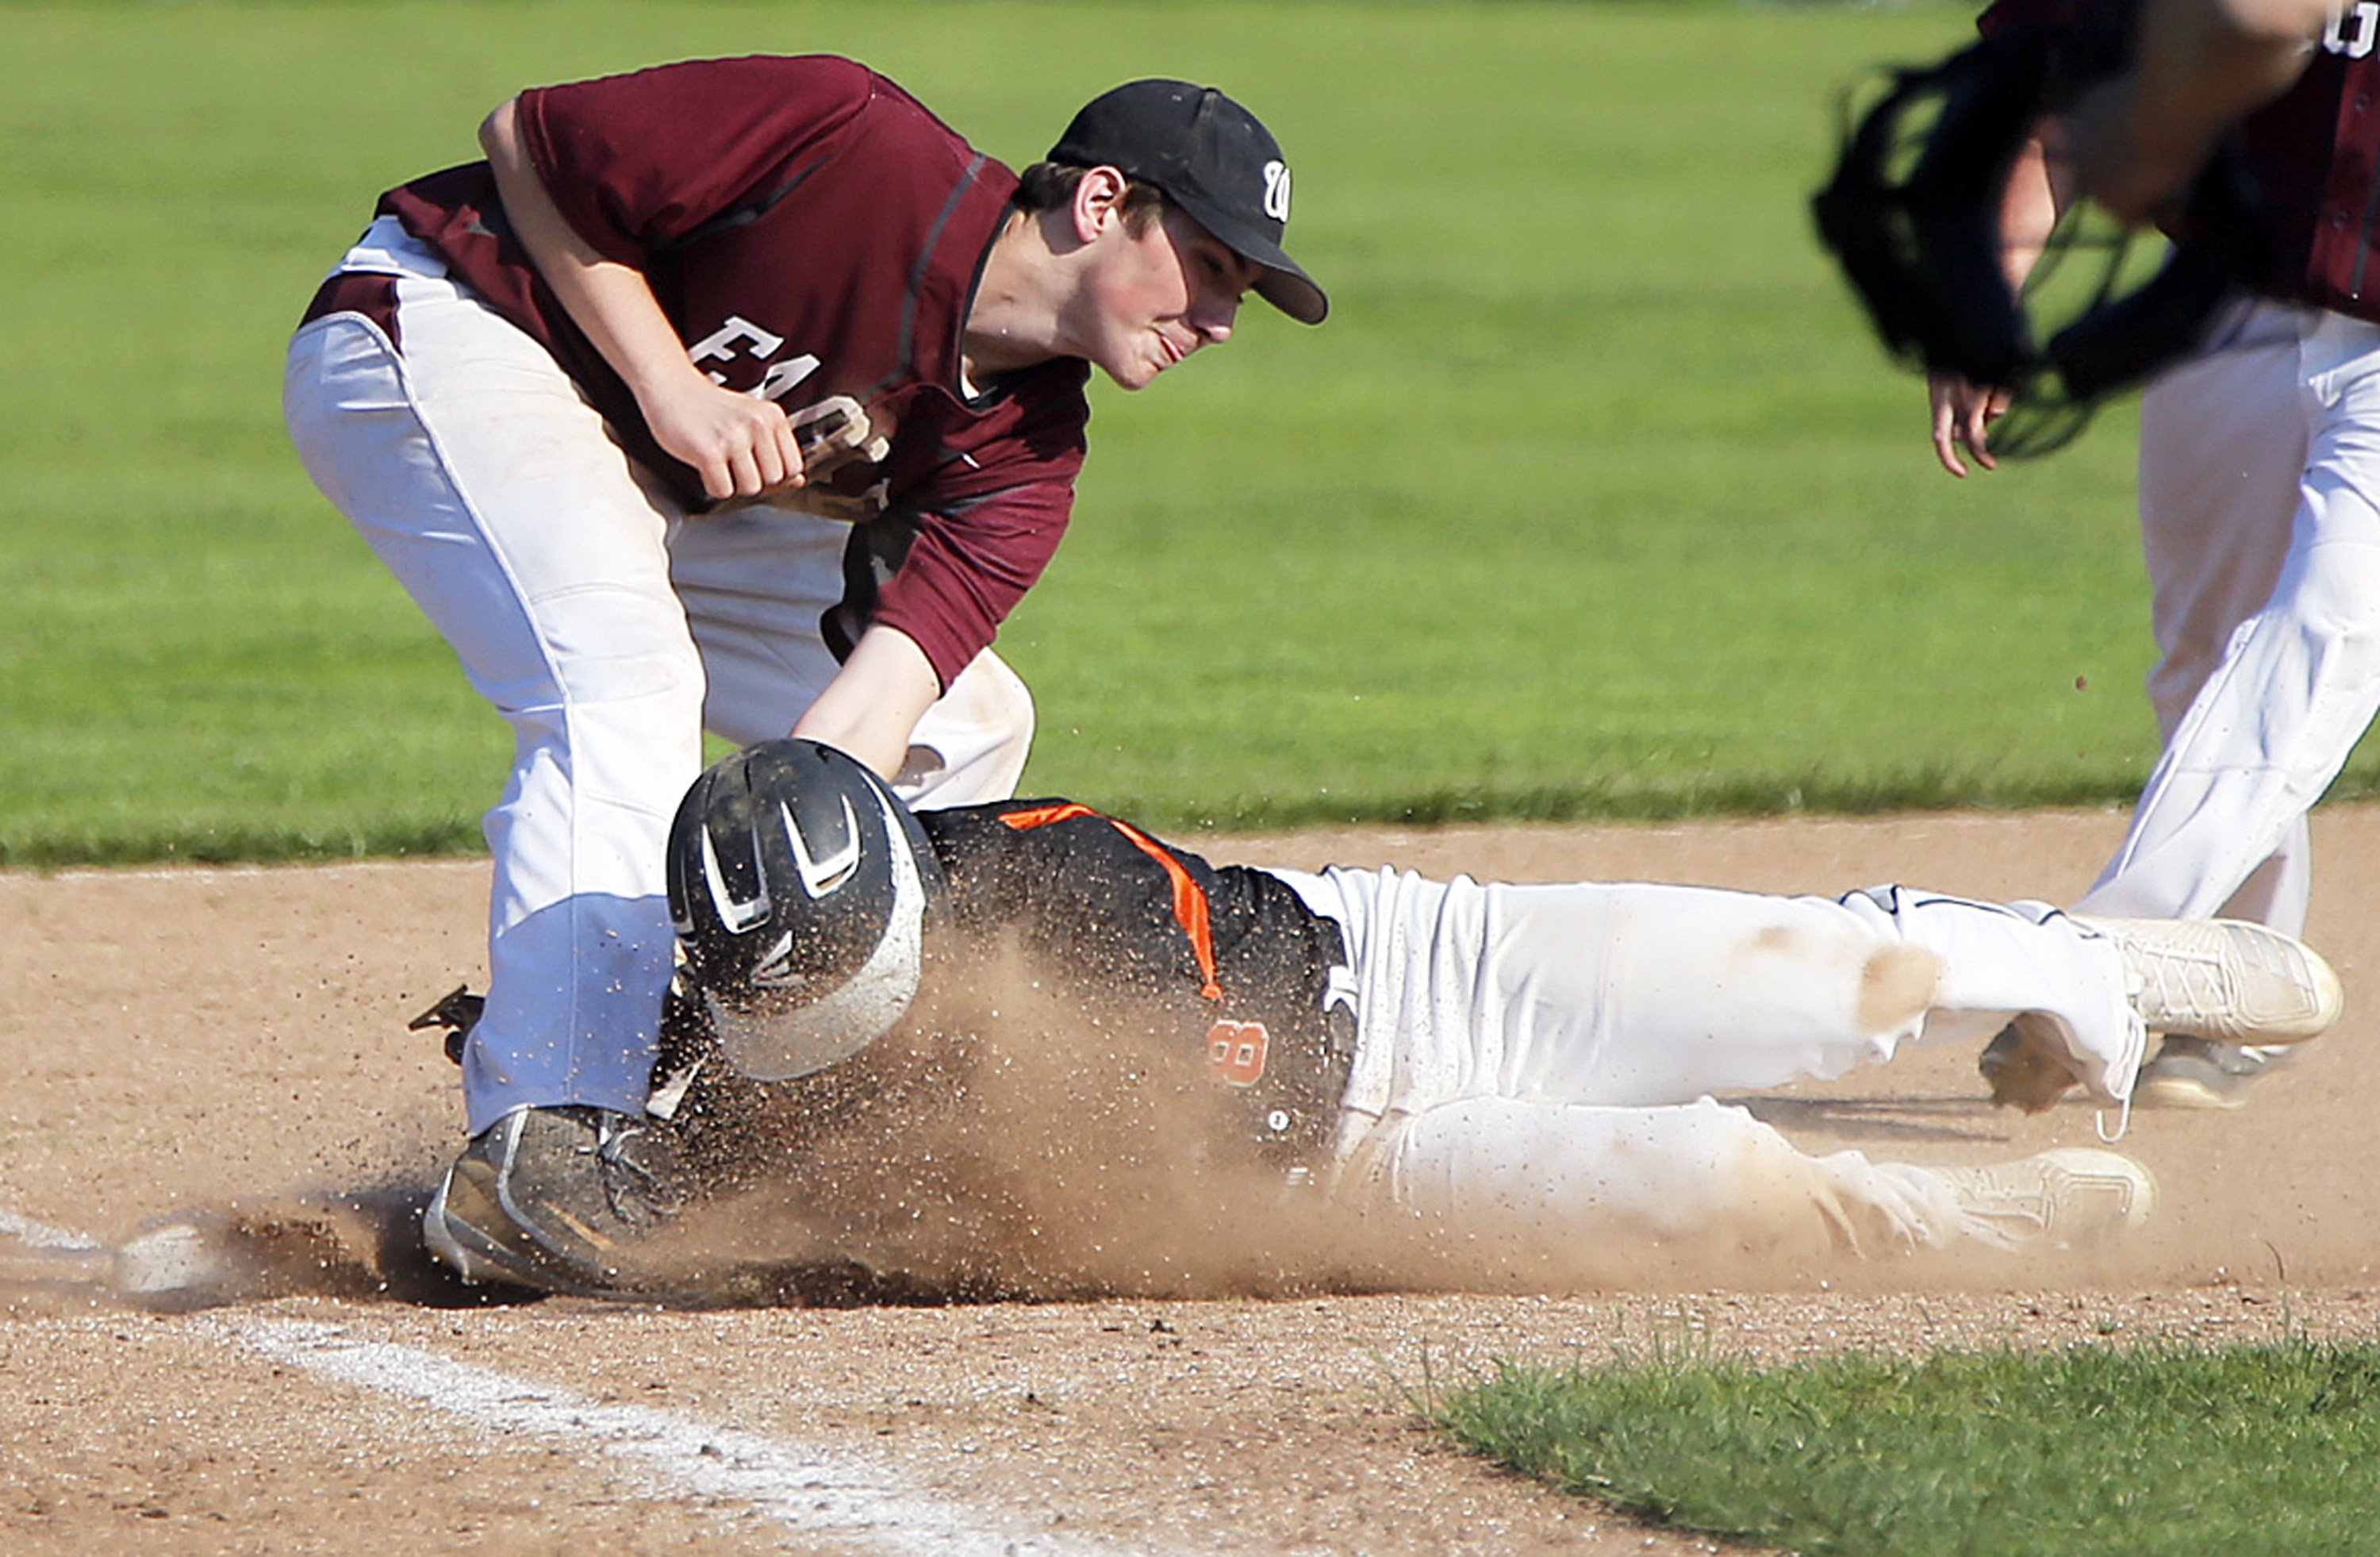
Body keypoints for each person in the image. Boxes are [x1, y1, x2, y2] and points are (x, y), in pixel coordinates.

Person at [282, 60, 1328, 1224]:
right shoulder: (854, 142)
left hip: (661, 477)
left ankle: (742, 1103)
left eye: (1241, 292)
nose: (1221, 322)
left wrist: (761, 912)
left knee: (965, 728)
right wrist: (671, 386)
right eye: (1210, 265)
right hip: (454, 324)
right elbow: (527, 141)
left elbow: (855, 733)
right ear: (1101, 204)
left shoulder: (1025, 456)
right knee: (621, 681)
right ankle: (550, 1140)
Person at [417, 740, 2343, 1300]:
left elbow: (1172, 1107)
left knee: (1821, 980)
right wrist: (550, 1190)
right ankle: (1947, 1223)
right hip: (1353, 1183)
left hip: (1415, 974)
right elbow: (607, 1177)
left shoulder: (1050, 876)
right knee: (1702, 1193)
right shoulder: (738, 1017)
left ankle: (2107, 972)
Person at [1928, 0, 2378, 1107]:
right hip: (2226, 313)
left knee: (2321, 629)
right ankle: (2229, 990)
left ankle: (2104, 959)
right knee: (2206, 661)